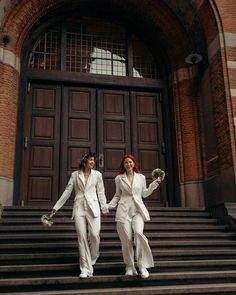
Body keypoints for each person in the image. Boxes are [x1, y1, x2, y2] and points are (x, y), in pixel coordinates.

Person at [50, 152, 108, 279]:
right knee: (81, 238)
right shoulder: (75, 175)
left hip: (93, 207)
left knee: (94, 234)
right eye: (91, 160)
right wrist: (56, 207)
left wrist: (104, 207)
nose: (93, 162)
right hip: (79, 208)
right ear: (84, 161)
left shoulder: (98, 175)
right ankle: (84, 269)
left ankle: (93, 256)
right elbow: (67, 191)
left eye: (94, 160)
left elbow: (101, 192)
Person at [108, 155, 163, 279]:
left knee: (138, 234)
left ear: (134, 163)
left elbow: (144, 193)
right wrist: (108, 206)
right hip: (123, 212)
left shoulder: (141, 177)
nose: (128, 164)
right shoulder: (119, 178)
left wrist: (155, 184)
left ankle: (141, 265)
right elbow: (117, 195)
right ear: (123, 165)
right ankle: (129, 266)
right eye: (126, 162)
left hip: (137, 211)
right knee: (126, 239)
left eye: (130, 162)